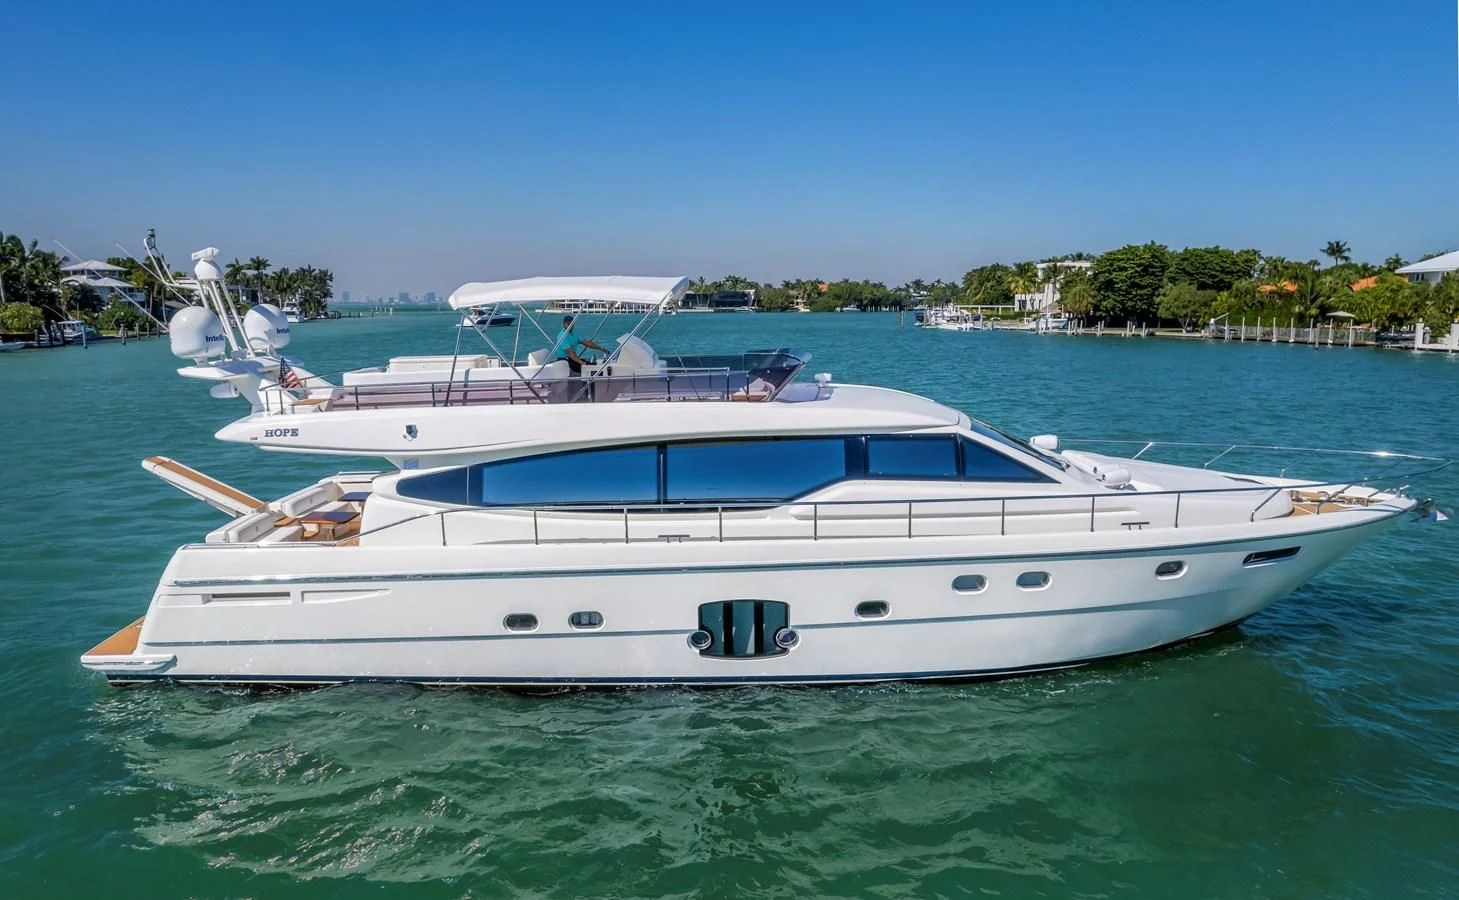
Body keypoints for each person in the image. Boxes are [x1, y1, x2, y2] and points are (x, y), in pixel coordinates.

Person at [551, 315, 607, 399]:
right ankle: (588, 396)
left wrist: (601, 348)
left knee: (593, 365)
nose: (570, 325)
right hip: (565, 360)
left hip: (572, 359)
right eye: (568, 323)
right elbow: (570, 353)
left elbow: (586, 342)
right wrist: (582, 363)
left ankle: (595, 393)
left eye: (572, 323)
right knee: (588, 369)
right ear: (564, 324)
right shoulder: (562, 336)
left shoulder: (573, 335)